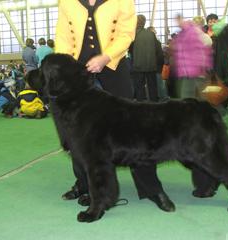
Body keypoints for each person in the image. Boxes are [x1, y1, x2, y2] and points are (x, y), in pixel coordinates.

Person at [55, 0, 174, 211]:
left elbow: (126, 33)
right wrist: (66, 65)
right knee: (75, 131)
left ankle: (151, 188)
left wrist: (105, 57)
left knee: (134, 129)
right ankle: (84, 184)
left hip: (112, 62)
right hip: (75, 67)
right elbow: (63, 36)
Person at [173, 18, 212, 99]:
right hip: (199, 70)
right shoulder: (206, 37)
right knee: (202, 96)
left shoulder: (187, 36)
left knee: (187, 95)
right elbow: (207, 54)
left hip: (188, 71)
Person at [130, 15, 160, 102]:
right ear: (144, 23)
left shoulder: (133, 35)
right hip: (151, 65)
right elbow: (158, 50)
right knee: (152, 88)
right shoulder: (151, 34)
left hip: (137, 65)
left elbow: (130, 49)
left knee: (139, 88)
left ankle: (141, 107)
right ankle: (155, 106)